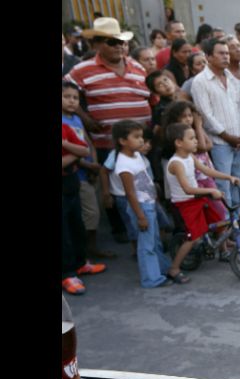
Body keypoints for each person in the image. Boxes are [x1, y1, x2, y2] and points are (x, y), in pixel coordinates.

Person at [66, 17, 151, 244]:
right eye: (111, 42)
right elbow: (65, 94)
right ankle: (122, 231)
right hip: (107, 143)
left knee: (143, 186)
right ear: (96, 44)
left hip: (140, 143)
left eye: (121, 42)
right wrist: (84, 117)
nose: (119, 46)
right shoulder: (82, 69)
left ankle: (141, 229)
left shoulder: (137, 67)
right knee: (115, 190)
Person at [165, 122, 240, 281]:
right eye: (191, 138)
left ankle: (222, 249)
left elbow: (206, 170)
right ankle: (174, 268)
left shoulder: (190, 157)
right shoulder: (176, 163)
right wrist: (210, 191)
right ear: (179, 143)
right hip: (185, 202)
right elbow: (188, 189)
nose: (196, 141)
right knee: (194, 238)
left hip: (197, 198)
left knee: (220, 219)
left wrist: (228, 177)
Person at [191, 38, 240, 225]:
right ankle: (225, 224)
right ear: (208, 56)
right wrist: (227, 137)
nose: (226, 56)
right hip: (220, 143)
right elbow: (205, 115)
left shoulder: (232, 78)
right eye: (221, 53)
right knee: (223, 184)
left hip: (239, 140)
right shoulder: (200, 82)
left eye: (227, 53)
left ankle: (235, 219)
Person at [112, 120, 173, 288]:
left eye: (141, 137)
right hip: (141, 207)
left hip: (149, 203)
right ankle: (151, 279)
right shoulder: (123, 164)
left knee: (154, 241)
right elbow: (130, 193)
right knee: (147, 245)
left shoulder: (137, 155)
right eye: (136, 137)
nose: (141, 140)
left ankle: (162, 269)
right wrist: (140, 216)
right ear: (123, 141)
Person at [62, 81, 115, 260]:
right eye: (66, 97)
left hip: (89, 170)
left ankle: (87, 249)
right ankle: (86, 250)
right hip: (76, 172)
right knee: (89, 212)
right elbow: (73, 150)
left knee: (91, 212)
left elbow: (87, 142)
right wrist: (86, 163)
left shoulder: (75, 119)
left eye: (75, 98)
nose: (71, 101)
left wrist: (95, 162)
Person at [62, 106, 108, 296]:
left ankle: (80, 263)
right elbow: (79, 152)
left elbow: (85, 148)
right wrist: (75, 152)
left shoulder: (65, 127)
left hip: (70, 181)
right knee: (62, 232)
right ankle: (67, 273)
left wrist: (67, 147)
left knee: (76, 224)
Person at [161, 100, 227, 221]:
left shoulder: (193, 133)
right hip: (197, 179)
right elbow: (202, 147)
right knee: (212, 208)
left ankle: (223, 237)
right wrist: (198, 125)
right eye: (184, 116)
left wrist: (198, 128)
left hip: (205, 173)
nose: (188, 119)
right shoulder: (183, 139)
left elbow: (209, 145)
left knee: (217, 208)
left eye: (190, 115)